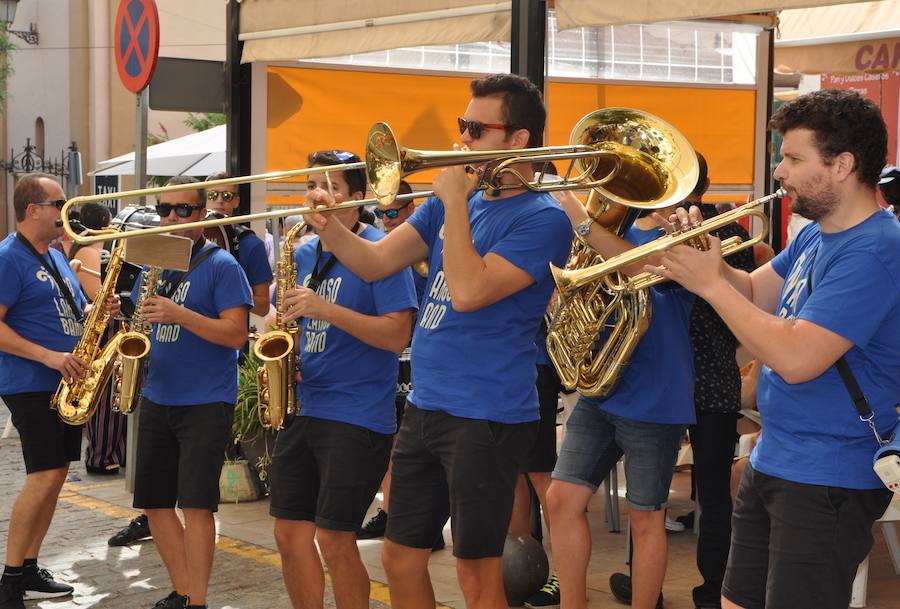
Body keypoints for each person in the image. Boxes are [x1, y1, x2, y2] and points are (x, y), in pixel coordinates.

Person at [304, 73, 572, 609]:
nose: (464, 138)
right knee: (400, 557)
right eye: (462, 125)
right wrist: (331, 227)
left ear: (519, 139)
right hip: (427, 404)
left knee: (476, 572)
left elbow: (471, 292)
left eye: (477, 127)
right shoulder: (451, 200)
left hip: (486, 412)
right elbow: (377, 261)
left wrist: (454, 205)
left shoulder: (543, 219)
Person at [651, 88, 900, 609]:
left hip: (827, 473)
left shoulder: (877, 250)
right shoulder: (817, 235)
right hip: (779, 459)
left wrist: (711, 284)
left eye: (792, 157)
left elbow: (796, 358)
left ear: (842, 165)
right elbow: (755, 292)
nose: (779, 172)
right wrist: (707, 261)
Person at [268, 150, 417, 609]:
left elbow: (397, 334)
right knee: (289, 533)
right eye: (313, 184)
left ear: (358, 198)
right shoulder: (300, 250)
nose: (318, 194)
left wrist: (324, 309)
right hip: (302, 406)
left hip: (356, 414)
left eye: (331, 186)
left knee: (336, 538)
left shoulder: (381, 250)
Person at [547, 188, 695, 609]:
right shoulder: (613, 228)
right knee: (562, 500)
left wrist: (580, 217)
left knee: (646, 518)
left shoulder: (683, 230)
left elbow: (641, 266)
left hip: (655, 397)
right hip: (603, 391)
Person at [132, 176, 252, 609]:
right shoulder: (155, 262)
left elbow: (237, 334)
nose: (171, 218)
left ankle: (196, 601)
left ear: (202, 215)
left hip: (205, 399)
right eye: (164, 209)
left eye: (183, 210)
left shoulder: (222, 265)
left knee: (197, 507)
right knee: (155, 505)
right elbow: (142, 323)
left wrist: (180, 314)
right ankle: (184, 592)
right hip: (158, 394)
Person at [0, 174, 118, 608]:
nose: (66, 211)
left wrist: (97, 308)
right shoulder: (8, 257)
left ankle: (29, 568)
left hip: (66, 382)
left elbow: (67, 311)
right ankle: (11, 578)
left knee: (57, 474)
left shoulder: (54, 256)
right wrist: (48, 357)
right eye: (59, 203)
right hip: (32, 381)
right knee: (44, 474)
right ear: (33, 210)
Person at [681, 154, 755, 609]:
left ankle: (714, 589)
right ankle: (714, 591)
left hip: (686, 377)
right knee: (712, 494)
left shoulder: (726, 229)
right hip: (711, 379)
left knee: (660, 498)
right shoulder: (733, 229)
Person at [63, 203, 129, 478]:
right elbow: (97, 297)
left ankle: (108, 452)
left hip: (96, 329)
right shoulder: (91, 252)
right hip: (101, 331)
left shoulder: (81, 250)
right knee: (104, 394)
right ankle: (101, 456)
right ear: (105, 221)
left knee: (107, 394)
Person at [205, 172, 274, 316]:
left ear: (236, 201)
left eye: (227, 196)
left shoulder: (251, 244)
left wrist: (229, 294)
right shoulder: (189, 237)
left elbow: (263, 307)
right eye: (212, 195)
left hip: (228, 332)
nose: (219, 201)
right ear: (204, 199)